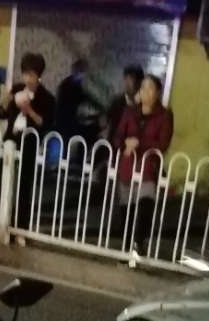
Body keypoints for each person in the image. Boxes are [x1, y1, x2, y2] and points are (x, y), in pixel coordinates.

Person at [113, 73, 174, 252]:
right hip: (128, 166)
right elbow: (118, 136)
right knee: (127, 209)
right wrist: (124, 143)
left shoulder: (164, 115)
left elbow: (163, 143)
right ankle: (125, 246)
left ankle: (139, 244)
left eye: (150, 88)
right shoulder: (130, 112)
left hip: (148, 169)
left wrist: (140, 143)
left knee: (144, 207)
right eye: (143, 87)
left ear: (158, 92)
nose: (146, 92)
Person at [0, 52, 55, 228]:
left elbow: (45, 123)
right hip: (11, 140)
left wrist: (29, 110)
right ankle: (1, 220)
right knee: (4, 181)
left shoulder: (46, 98)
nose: (28, 79)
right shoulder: (17, 89)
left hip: (30, 142)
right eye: (25, 74)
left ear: (39, 75)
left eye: (32, 75)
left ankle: (20, 226)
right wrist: (5, 102)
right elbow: (2, 114)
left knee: (24, 184)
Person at [55, 58, 105, 144]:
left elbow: (86, 98)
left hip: (67, 123)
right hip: (65, 125)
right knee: (89, 133)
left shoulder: (72, 84)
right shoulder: (69, 86)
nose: (84, 76)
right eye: (83, 72)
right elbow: (84, 98)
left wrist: (99, 108)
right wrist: (100, 110)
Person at [105, 65, 143, 142]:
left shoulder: (144, 104)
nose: (127, 83)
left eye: (131, 79)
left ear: (140, 82)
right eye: (126, 79)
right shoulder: (116, 101)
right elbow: (107, 122)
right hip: (114, 145)